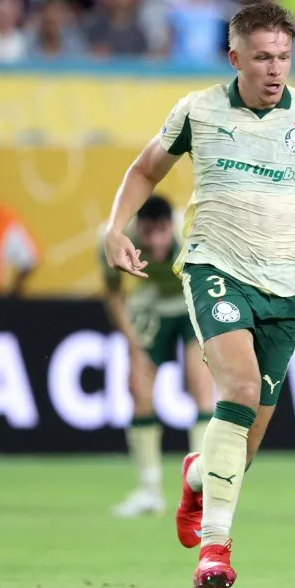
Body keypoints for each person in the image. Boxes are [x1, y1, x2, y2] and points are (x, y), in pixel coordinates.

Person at [103, 2, 295, 588]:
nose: (275, 70)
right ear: (235, 58)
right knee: (239, 390)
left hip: (284, 283)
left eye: (285, 57)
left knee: (239, 451)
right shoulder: (198, 111)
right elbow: (145, 171)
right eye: (264, 57)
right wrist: (117, 227)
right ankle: (215, 550)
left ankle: (197, 475)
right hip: (214, 267)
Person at [102, 194, 214, 518]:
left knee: (200, 386)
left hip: (193, 298)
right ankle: (149, 491)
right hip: (150, 303)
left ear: (171, 226)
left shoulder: (192, 232)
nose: (154, 241)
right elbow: (112, 291)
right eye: (147, 233)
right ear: (138, 228)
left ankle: (201, 487)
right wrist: (130, 340)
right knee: (138, 388)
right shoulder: (113, 238)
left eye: (161, 232)